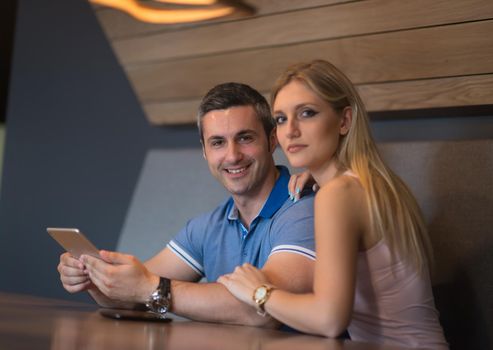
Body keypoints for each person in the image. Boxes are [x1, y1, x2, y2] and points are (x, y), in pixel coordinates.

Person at [218, 60, 448, 348]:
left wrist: (259, 292)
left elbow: (329, 320)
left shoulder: (338, 194)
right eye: (280, 119)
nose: (290, 131)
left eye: (307, 113)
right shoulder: (372, 182)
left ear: (344, 121)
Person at [57, 82, 316, 327]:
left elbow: (260, 311)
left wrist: (152, 288)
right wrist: (93, 277)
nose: (232, 155)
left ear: (272, 140)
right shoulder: (208, 226)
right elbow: (129, 297)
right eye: (217, 142)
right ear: (204, 151)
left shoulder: (304, 209)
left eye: (245, 138)